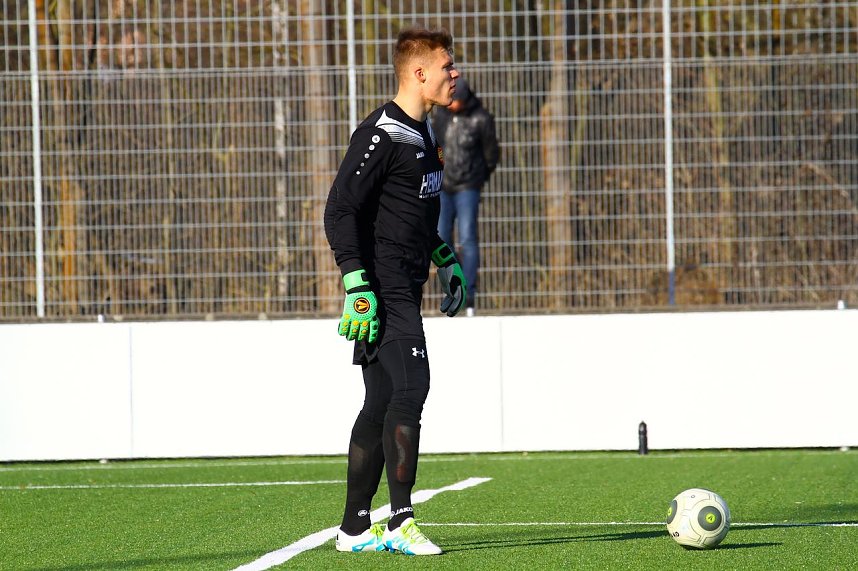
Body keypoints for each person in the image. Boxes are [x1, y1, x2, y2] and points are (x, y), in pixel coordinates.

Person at [323, 26, 467, 556]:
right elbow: (340, 210)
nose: (456, 73)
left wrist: (443, 255)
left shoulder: (424, 133)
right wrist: (355, 280)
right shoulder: (380, 135)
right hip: (382, 287)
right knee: (412, 389)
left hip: (406, 281)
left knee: (381, 399)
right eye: (448, 66)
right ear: (420, 73)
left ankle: (354, 529)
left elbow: (408, 216)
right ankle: (401, 520)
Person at [432, 77, 499, 316]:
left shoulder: (481, 119)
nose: (451, 105)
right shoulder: (440, 116)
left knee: (468, 238)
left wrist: (478, 178)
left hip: (468, 186)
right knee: (441, 239)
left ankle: (469, 292)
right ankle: (453, 283)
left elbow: (491, 154)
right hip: (442, 186)